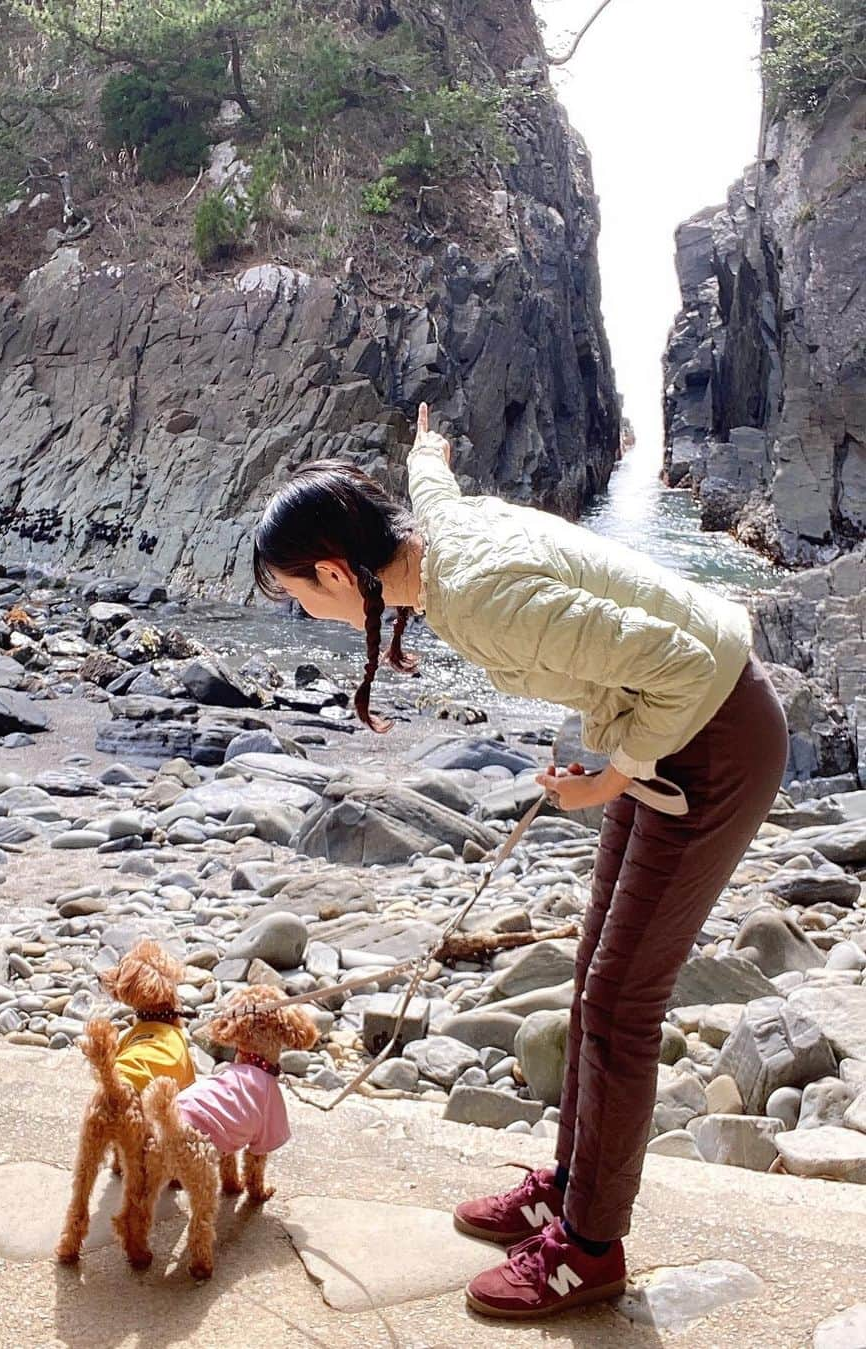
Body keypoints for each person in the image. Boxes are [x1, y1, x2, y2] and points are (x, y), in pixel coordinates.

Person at [253, 403, 788, 1320]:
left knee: (622, 1000)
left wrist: (612, 775)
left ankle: (590, 1250)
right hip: (677, 728)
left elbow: (686, 663)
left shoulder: (477, 597)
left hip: (711, 738)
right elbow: (435, 483)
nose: (308, 611)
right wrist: (427, 447)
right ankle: (569, 1190)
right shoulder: (435, 537)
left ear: (338, 569)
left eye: (301, 594)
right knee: (594, 978)